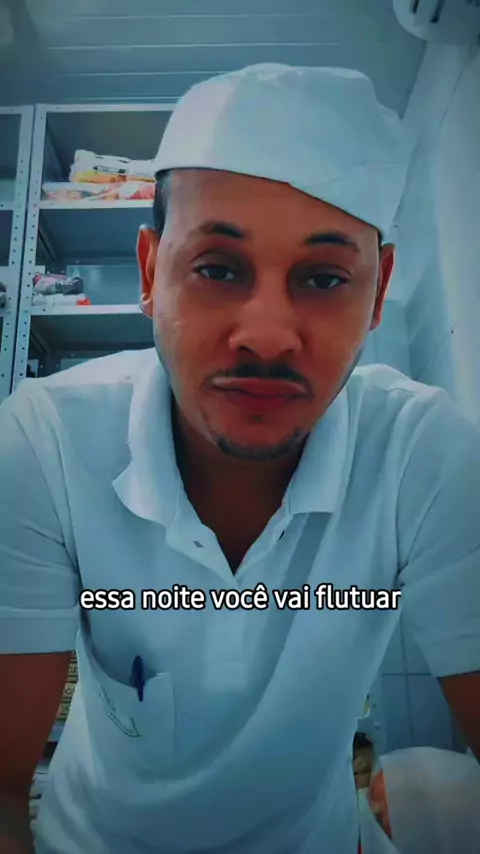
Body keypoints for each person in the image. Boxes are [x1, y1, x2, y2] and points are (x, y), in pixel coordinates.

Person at [0, 64, 479, 854]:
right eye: (218, 269)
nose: (266, 334)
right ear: (151, 272)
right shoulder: (44, 443)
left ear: (378, 290)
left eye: (323, 277)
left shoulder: (421, 455)